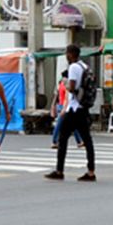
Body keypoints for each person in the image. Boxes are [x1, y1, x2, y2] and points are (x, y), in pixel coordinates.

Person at [47, 44, 97, 181]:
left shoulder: (74, 67)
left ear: (70, 54)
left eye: (67, 53)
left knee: (62, 139)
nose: (66, 56)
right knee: (87, 140)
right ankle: (91, 171)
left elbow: (72, 87)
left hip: (74, 109)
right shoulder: (85, 66)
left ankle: (59, 171)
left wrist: (65, 82)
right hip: (82, 108)